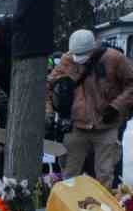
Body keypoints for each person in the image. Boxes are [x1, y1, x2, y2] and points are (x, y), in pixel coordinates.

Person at [49, 29, 133, 188]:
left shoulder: (114, 58)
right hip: (76, 124)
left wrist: (117, 106)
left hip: (106, 125)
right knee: (69, 172)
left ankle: (102, 202)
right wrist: (53, 109)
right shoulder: (67, 60)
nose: (78, 58)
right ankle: (69, 202)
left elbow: (131, 84)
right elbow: (49, 84)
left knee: (105, 173)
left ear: (92, 48)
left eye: (82, 54)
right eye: (75, 54)